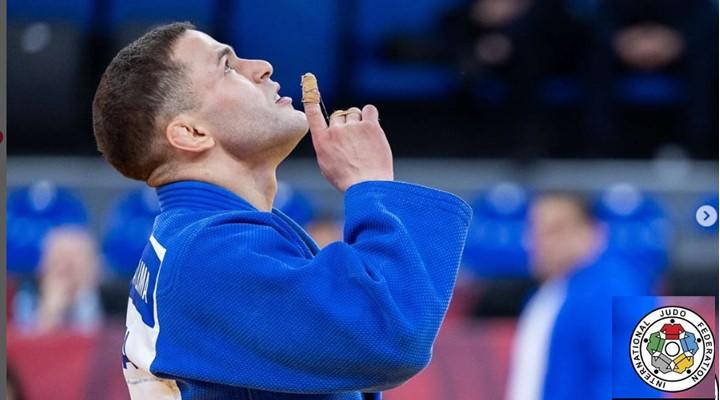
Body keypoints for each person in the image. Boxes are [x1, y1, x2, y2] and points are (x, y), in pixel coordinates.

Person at [92, 22, 471, 399]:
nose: (261, 66)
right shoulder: (210, 253)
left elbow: (348, 365)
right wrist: (371, 187)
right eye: (227, 67)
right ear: (191, 134)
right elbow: (391, 338)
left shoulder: (200, 239)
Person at [505, 194, 656, 400]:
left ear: (592, 232)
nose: (538, 241)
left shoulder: (610, 286)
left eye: (554, 230)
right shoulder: (551, 292)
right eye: (534, 229)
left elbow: (630, 378)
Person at [13, 226, 103, 334]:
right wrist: (49, 311)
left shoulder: (114, 298)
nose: (64, 267)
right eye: (58, 260)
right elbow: (25, 342)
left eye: (72, 263)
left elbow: (94, 338)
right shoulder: (27, 292)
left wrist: (82, 296)